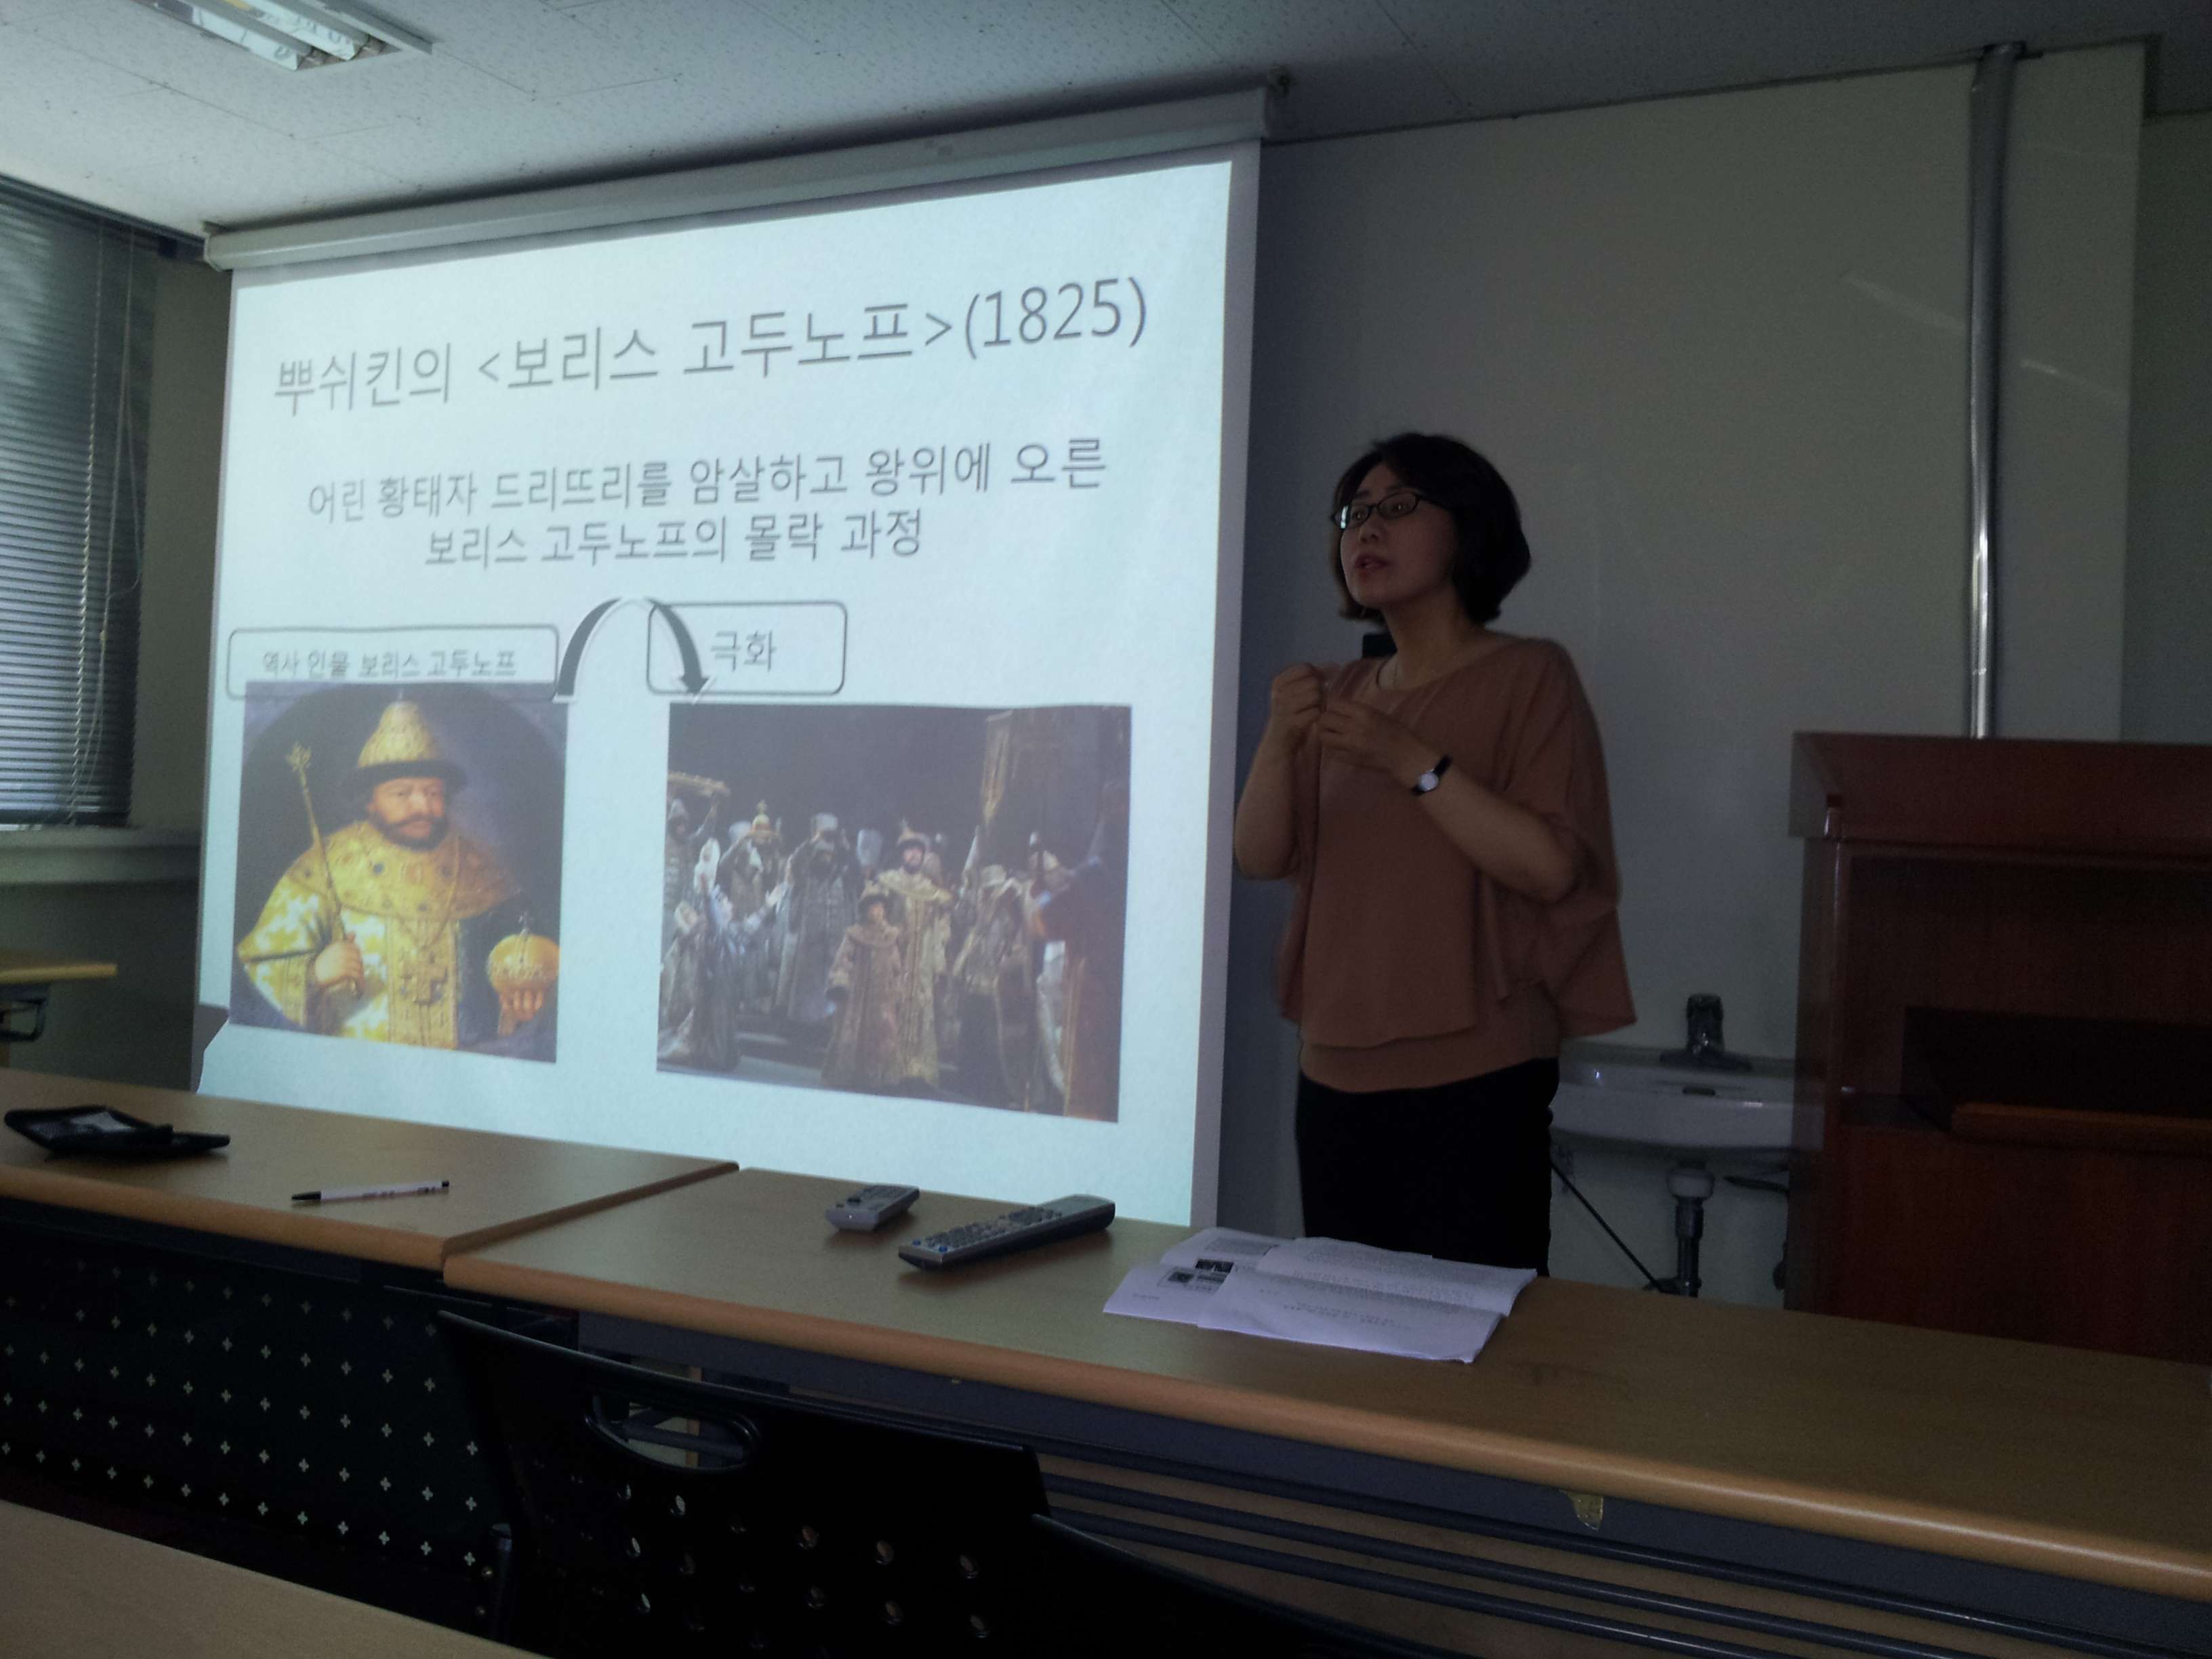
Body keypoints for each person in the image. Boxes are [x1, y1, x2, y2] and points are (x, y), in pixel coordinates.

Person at [1233, 432, 1633, 1270]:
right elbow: (1260, 856)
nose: (1367, 530)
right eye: (1354, 515)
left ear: (1468, 527)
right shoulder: (1339, 691)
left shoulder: (1530, 674)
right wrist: (1278, 738)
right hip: (1334, 1071)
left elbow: (1551, 867)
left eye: (1398, 507)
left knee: (1474, 1331)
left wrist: (1411, 761)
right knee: (1345, 1324)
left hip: (1476, 1073)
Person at [239, 699, 557, 1051]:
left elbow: (524, 944)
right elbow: (253, 972)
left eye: (433, 793)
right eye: (402, 793)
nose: (422, 806)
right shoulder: (322, 867)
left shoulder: (481, 868)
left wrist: (525, 979)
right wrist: (313, 975)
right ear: (370, 801)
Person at [876, 827, 954, 1089]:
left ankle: (914, 1069)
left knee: (920, 1014)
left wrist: (938, 965)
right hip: (894, 961)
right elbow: (875, 918)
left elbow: (935, 930)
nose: (914, 855)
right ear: (902, 854)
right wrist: (890, 933)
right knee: (891, 1011)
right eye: (910, 850)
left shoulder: (930, 891)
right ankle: (887, 1066)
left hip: (921, 965)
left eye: (919, 851)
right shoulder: (888, 883)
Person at [821, 888, 904, 1090]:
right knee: (854, 1029)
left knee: (882, 1032)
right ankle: (850, 1073)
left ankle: (878, 1076)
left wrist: (896, 990)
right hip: (857, 994)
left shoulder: (890, 937)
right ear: (866, 910)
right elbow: (843, 960)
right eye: (873, 907)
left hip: (882, 995)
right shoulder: (855, 935)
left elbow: (896, 968)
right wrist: (841, 981)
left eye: (880, 907)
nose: (877, 912)